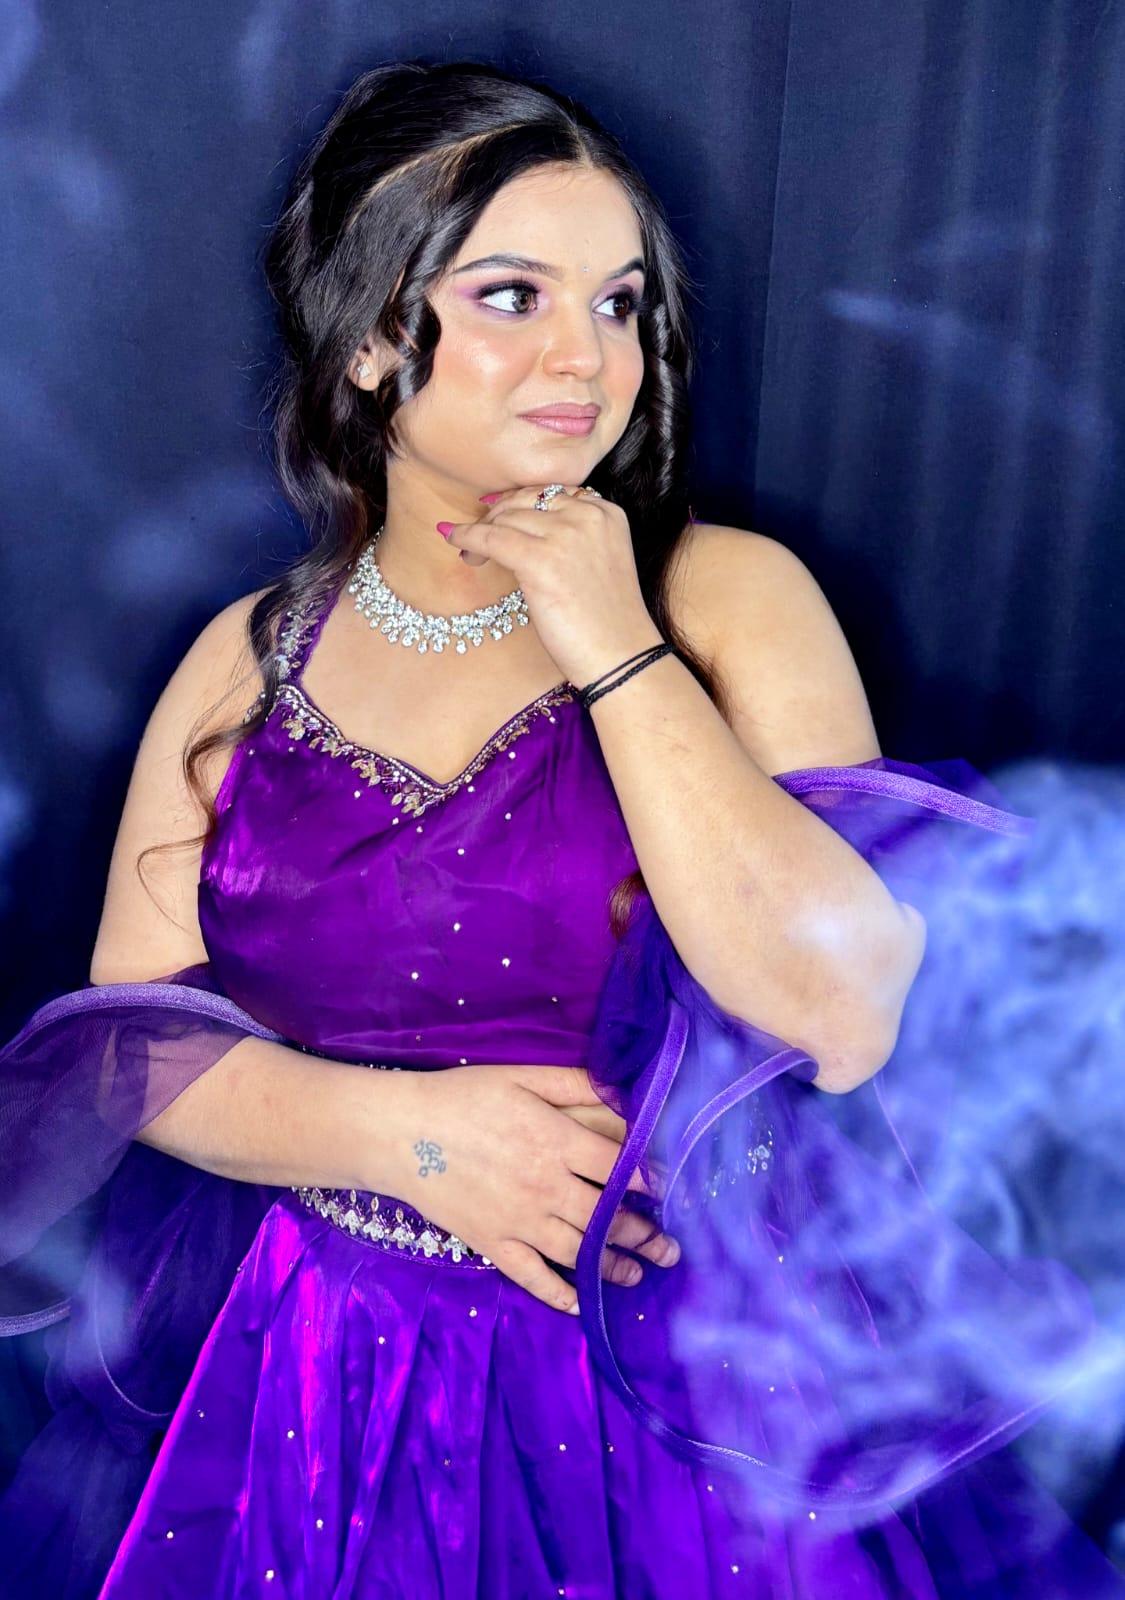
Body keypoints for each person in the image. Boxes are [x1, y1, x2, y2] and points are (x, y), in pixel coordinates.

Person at [2, 58, 1122, 1599]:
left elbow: (844, 1012)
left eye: (620, 305)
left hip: (678, 1396)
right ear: (372, 337)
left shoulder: (727, 599)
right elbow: (127, 1046)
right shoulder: (244, 660)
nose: (587, 359)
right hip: (318, 1379)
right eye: (514, 296)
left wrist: (612, 643)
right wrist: (411, 1141)